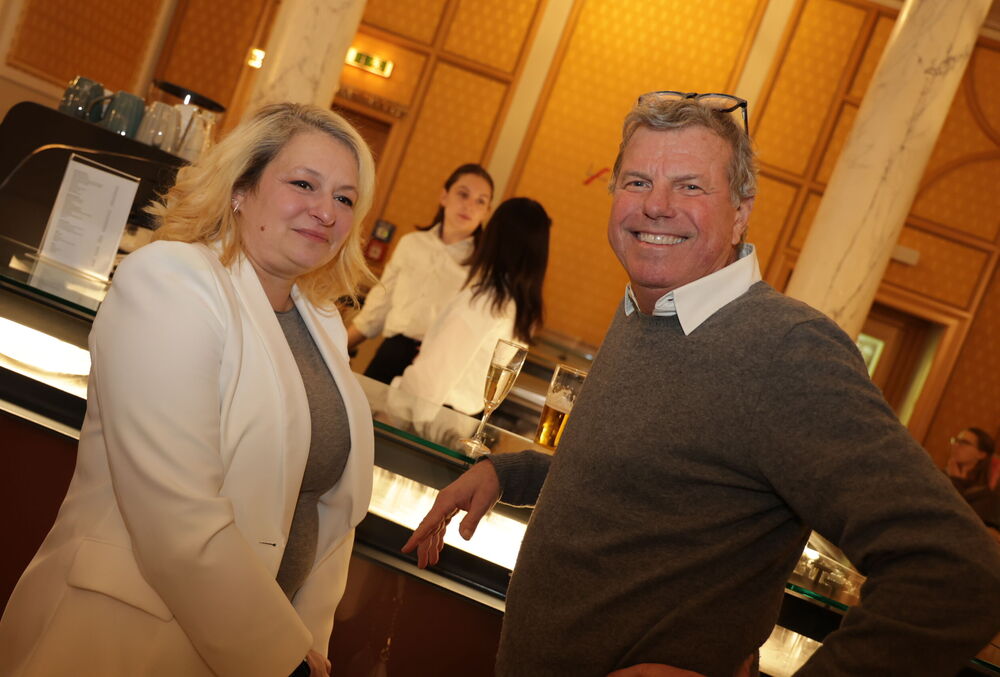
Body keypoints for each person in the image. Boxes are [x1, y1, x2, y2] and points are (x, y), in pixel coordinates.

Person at [403, 93, 1000, 676]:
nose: (656, 206)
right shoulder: (646, 308)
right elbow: (653, 484)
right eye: (638, 181)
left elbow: (957, 575)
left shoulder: (786, 349)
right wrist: (509, 474)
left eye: (690, 186)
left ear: (741, 212)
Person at [0, 103, 378, 677]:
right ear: (241, 189)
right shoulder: (171, 279)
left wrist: (304, 642)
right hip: (131, 639)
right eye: (304, 184)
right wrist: (281, 658)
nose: (326, 211)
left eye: (345, 198)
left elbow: (329, 513)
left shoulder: (322, 321)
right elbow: (175, 512)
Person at [393, 197, 550, 415]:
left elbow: (427, 384)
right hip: (460, 417)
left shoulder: (487, 301)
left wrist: (393, 402)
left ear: (496, 237)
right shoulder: (517, 306)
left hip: (438, 415)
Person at [347, 163, 494, 383]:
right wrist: (337, 348)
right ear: (444, 196)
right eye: (463, 194)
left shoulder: (482, 267)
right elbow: (377, 308)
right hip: (390, 352)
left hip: (435, 367)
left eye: (480, 201)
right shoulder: (411, 244)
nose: (469, 206)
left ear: (486, 212)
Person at [946, 427, 997, 527]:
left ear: (981, 454)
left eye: (964, 442)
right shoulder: (938, 475)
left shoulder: (985, 496)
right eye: (956, 440)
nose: (956, 445)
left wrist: (956, 482)